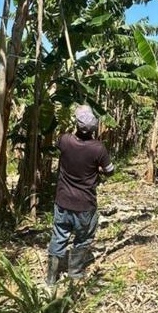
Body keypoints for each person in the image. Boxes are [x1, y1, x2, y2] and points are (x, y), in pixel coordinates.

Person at [47, 105, 114, 287]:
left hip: (62, 201)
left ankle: (51, 278)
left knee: (59, 236)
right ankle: (75, 273)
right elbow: (110, 171)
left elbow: (58, 146)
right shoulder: (98, 149)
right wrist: (97, 168)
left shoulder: (65, 140)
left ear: (76, 124)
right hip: (85, 205)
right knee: (83, 239)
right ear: (94, 127)